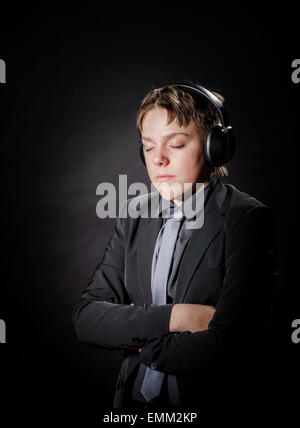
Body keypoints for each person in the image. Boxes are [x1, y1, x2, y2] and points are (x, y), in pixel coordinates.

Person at [72, 82, 278, 410]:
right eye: (149, 147)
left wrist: (138, 339)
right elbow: (86, 318)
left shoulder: (246, 219)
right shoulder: (134, 216)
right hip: (131, 406)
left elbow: (234, 343)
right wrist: (177, 318)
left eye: (177, 144)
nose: (159, 160)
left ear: (215, 147)